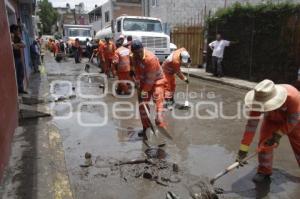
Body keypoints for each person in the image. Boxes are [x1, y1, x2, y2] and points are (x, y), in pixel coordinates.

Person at [236, 79, 300, 183]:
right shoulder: (258, 100)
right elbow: (251, 126)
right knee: (264, 144)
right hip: (271, 119)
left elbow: (293, 120)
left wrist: (278, 134)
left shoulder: (293, 96)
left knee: (299, 144)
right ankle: (264, 171)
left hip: (294, 120)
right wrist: (243, 150)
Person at [130, 40, 167, 137]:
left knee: (158, 100)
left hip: (157, 81)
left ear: (143, 48)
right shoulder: (133, 57)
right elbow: (137, 71)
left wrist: (143, 91)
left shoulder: (151, 59)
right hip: (144, 82)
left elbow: (150, 80)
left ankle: (160, 124)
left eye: (139, 52)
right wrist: (137, 82)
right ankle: (146, 128)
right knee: (142, 107)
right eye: (135, 53)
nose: (138, 54)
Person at [10, 24, 27, 94]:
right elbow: (13, 47)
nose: (19, 31)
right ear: (14, 30)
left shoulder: (17, 37)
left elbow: (24, 45)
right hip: (14, 59)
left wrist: (16, 45)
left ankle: (21, 89)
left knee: (21, 74)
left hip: (18, 58)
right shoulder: (11, 36)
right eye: (17, 30)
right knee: (16, 74)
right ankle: (17, 90)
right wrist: (17, 45)